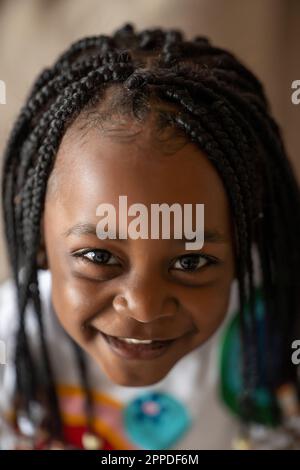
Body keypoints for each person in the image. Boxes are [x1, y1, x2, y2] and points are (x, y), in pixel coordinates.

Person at [0, 22, 300, 450]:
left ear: (245, 241)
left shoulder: (277, 336)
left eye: (190, 262)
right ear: (41, 239)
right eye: (99, 257)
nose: (142, 307)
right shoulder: (11, 349)